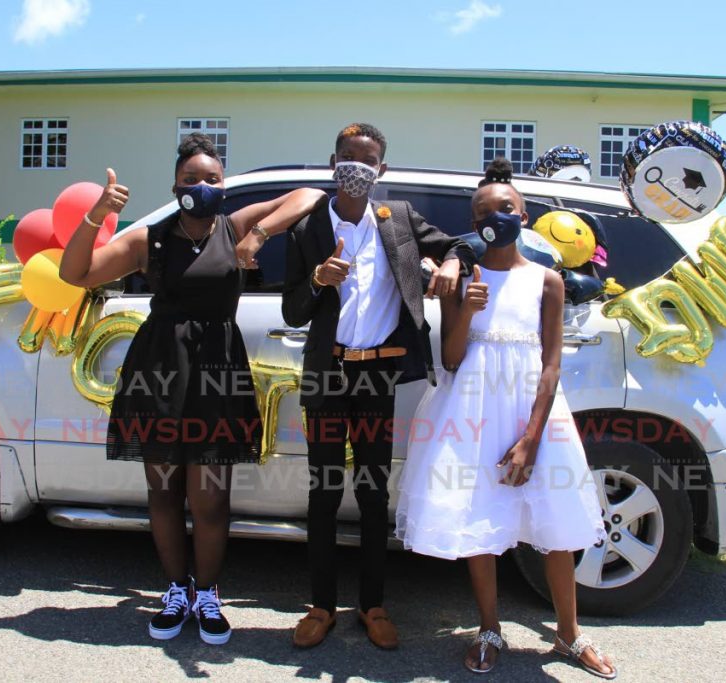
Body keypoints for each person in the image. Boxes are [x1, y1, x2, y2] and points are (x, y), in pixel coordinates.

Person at [59, 133, 326, 646]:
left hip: (216, 375)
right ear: (174, 185)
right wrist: (96, 214)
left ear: (224, 185)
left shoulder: (234, 226)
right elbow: (77, 273)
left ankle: (207, 594)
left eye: (211, 179)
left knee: (210, 498)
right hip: (159, 372)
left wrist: (259, 235)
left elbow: (309, 195)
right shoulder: (151, 240)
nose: (201, 186)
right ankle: (175, 592)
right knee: (163, 492)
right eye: (190, 179)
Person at [394, 157, 617, 677]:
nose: (495, 215)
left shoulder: (547, 281)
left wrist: (532, 438)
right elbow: (450, 359)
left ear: (524, 213)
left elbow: (552, 362)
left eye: (506, 207)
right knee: (481, 520)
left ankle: (568, 634)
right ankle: (490, 628)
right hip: (470, 412)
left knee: (555, 521)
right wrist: (466, 310)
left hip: (533, 416)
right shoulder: (461, 281)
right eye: (483, 212)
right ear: (473, 226)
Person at [282, 123, 475, 650]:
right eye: (348, 158)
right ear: (332, 161)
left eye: (367, 162)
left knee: (371, 494)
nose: (356, 169)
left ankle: (372, 605)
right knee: (323, 494)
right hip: (328, 373)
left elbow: (461, 243)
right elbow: (291, 310)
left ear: (382, 171)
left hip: (376, 376)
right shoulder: (306, 229)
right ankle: (320, 606)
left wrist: (454, 261)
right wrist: (317, 280)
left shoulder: (400, 221)